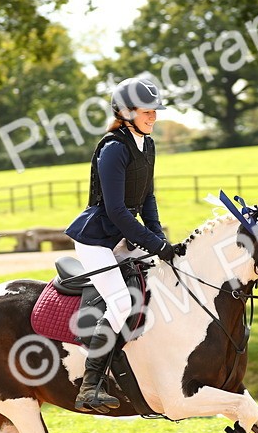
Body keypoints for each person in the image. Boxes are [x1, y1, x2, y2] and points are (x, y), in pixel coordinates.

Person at [65, 76, 177, 412]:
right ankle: (90, 385)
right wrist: (153, 243)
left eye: (155, 111)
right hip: (97, 239)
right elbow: (115, 210)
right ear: (126, 112)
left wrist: (161, 239)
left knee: (169, 276)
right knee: (120, 304)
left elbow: (148, 198)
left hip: (124, 235)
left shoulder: (148, 144)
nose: (153, 117)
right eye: (147, 111)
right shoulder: (114, 148)